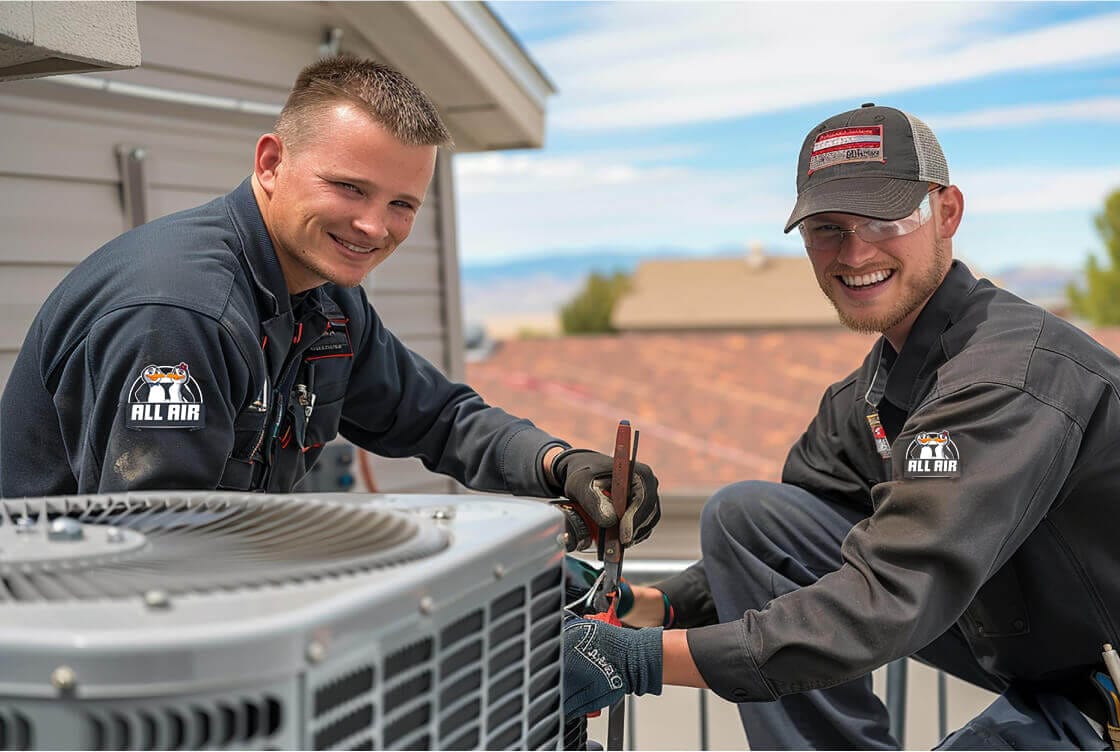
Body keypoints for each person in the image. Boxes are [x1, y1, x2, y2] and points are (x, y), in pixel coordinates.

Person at [561, 103, 1120, 750]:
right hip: (1042, 670)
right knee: (747, 517)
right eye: (827, 227)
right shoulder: (873, 396)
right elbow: (789, 549)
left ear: (947, 212)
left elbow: (885, 600)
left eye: (885, 217)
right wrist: (645, 607)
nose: (855, 251)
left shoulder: (1005, 380)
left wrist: (635, 661)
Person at [0, 55, 660, 552]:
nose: (375, 226)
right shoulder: (180, 316)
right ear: (269, 163)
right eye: (350, 188)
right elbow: (163, 547)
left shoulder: (327, 302)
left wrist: (561, 465)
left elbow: (438, 420)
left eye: (402, 203)